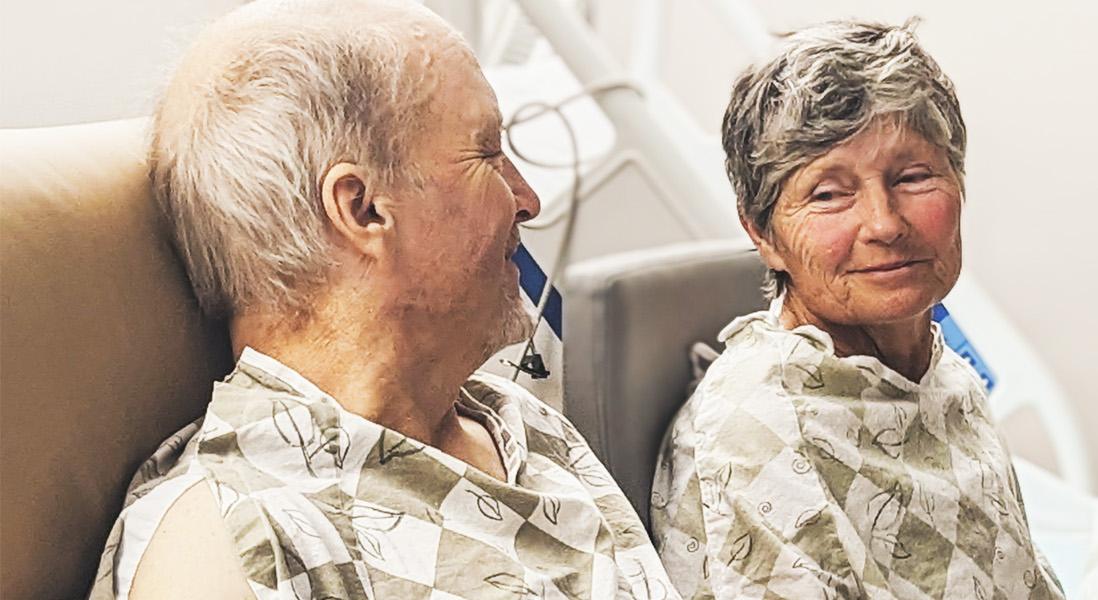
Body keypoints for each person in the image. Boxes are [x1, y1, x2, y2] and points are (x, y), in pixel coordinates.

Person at [88, 1, 679, 598]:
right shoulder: (233, 540)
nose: (526, 200)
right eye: (487, 154)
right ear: (362, 208)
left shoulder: (520, 424)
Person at [650, 19, 1067, 600]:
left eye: (913, 177)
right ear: (763, 234)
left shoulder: (944, 379)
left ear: (959, 184)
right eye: (827, 193)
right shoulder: (762, 428)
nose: (885, 224)